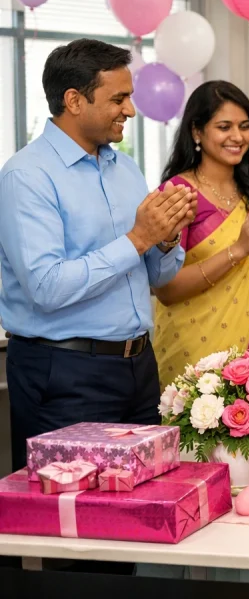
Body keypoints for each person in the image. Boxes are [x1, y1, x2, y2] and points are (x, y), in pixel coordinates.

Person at [0, 39, 195, 472]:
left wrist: (164, 239)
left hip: (139, 367)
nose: (130, 110)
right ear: (73, 100)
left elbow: (157, 276)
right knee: (66, 515)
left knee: (144, 499)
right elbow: (46, 288)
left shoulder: (124, 168)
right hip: (65, 372)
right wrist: (138, 238)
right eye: (118, 99)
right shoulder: (26, 177)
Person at [152, 81, 249, 388]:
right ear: (197, 132)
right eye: (224, 127)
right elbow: (166, 289)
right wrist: (238, 250)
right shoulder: (177, 195)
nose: (237, 137)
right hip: (196, 356)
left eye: (244, 126)